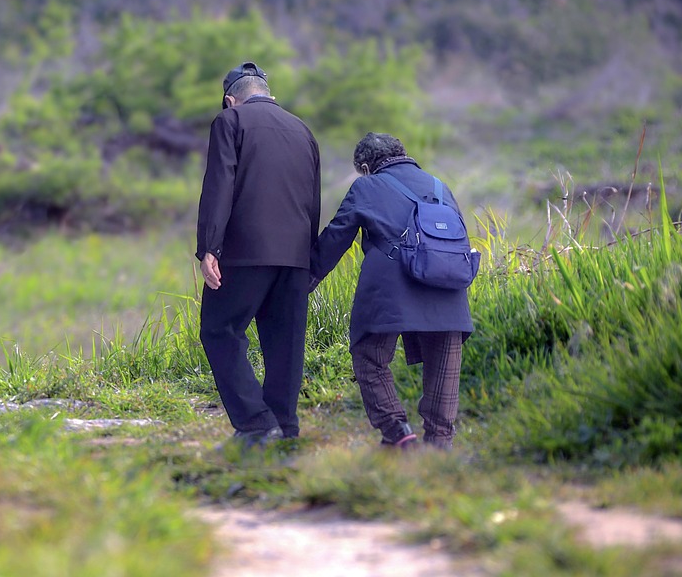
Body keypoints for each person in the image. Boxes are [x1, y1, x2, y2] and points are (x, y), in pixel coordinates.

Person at [310, 132, 474, 450]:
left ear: (367, 166)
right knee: (445, 357)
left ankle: (397, 431)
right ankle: (440, 441)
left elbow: (336, 236)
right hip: (448, 283)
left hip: (390, 284)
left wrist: (305, 279)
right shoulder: (439, 186)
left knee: (369, 355)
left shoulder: (367, 186)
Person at [196, 61, 321, 447]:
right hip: (296, 255)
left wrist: (209, 247)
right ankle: (284, 428)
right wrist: (309, 257)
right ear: (268, 94)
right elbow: (313, 198)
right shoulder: (303, 130)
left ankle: (255, 423)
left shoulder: (230, 122)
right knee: (285, 342)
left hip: (245, 252)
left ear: (231, 100)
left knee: (219, 329)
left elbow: (220, 185)